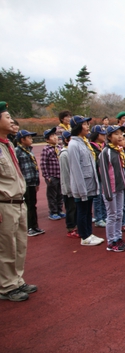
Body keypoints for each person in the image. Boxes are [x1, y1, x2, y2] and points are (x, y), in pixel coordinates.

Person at [0, 101, 38, 302]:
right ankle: (7, 286)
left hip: (18, 202)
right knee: (6, 247)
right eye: (7, 117)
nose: (11, 120)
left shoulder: (7, 145)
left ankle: (17, 280)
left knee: (19, 245)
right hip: (4, 204)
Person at [68, 115, 105, 246]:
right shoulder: (73, 145)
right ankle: (84, 236)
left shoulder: (83, 142)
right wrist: (82, 190)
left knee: (88, 210)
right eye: (84, 124)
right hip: (82, 186)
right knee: (82, 211)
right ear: (77, 127)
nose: (87, 126)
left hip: (89, 184)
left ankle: (89, 233)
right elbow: (76, 170)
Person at [99, 125, 125, 252]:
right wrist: (107, 192)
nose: (120, 136)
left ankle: (118, 237)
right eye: (116, 133)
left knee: (119, 214)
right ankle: (111, 241)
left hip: (120, 188)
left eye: (120, 133)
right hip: (110, 190)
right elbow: (104, 173)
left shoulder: (119, 151)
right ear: (109, 136)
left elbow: (123, 170)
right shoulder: (105, 153)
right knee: (112, 215)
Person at [15, 130, 45, 236]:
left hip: (32, 182)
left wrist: (36, 182)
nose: (31, 140)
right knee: (27, 205)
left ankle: (34, 226)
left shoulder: (29, 150)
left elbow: (34, 167)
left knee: (33, 205)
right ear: (22, 140)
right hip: (25, 183)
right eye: (29, 138)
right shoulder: (17, 151)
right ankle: (28, 227)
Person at [41, 127, 65, 221]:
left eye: (55, 135)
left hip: (60, 175)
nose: (55, 137)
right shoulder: (46, 149)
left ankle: (59, 210)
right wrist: (47, 176)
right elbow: (43, 163)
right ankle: (53, 212)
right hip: (52, 176)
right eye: (52, 136)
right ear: (47, 139)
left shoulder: (60, 147)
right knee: (52, 195)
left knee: (60, 194)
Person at [59, 131, 78, 238]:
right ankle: (70, 227)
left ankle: (75, 225)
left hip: (75, 186)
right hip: (69, 188)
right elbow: (65, 174)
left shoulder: (72, 152)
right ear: (66, 140)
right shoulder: (64, 154)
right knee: (70, 208)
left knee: (75, 208)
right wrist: (69, 189)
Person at [89, 125, 107, 227]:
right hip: (97, 175)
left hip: (104, 175)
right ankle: (98, 218)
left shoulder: (104, 146)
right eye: (101, 134)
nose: (104, 136)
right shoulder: (92, 147)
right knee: (98, 197)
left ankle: (104, 216)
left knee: (104, 197)